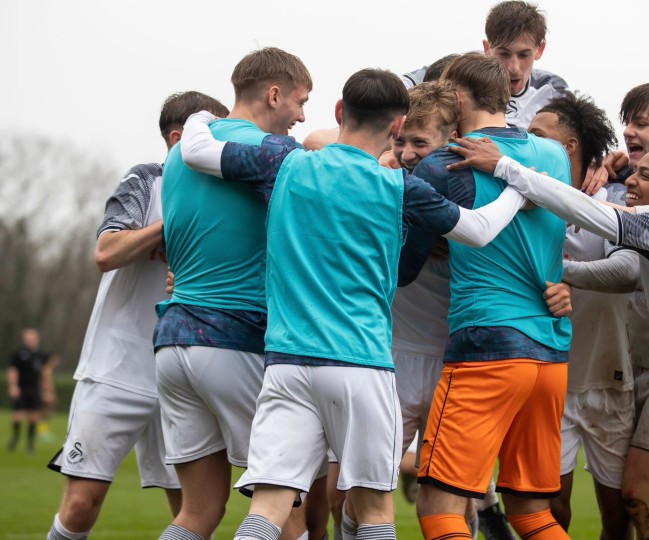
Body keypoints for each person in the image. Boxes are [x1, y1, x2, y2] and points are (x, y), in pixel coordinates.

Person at [177, 67, 529, 540]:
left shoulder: (286, 163)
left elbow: (196, 150)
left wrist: (201, 115)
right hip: (361, 365)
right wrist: (518, 185)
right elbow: (480, 229)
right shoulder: (400, 187)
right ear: (399, 126)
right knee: (375, 512)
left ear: (341, 112)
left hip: (287, 364)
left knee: (267, 509)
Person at [447, 133, 649, 540]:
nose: (632, 182)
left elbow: (584, 209)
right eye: (634, 172)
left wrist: (505, 167)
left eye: (645, 175)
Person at [42, 91, 229, 540]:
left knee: (193, 510)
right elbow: (105, 253)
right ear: (179, 137)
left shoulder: (226, 195)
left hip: (184, 371)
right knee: (82, 505)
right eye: (214, 131)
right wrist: (172, 226)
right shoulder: (147, 180)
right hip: (116, 368)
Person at [401, 52, 572, 540]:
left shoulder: (443, 163)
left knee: (439, 508)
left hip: (488, 347)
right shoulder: (555, 155)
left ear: (455, 97)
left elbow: (405, 266)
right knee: (532, 514)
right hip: (552, 351)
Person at [154, 47, 313, 540]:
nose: (302, 115)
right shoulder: (273, 153)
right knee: (284, 512)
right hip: (234, 339)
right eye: (301, 101)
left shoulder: (180, 154)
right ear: (274, 94)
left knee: (196, 513)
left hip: (172, 340)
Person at [561, 80, 649, 539]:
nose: (628, 132)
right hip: (623, 362)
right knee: (628, 510)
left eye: (641, 123)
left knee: (641, 500)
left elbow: (626, 272)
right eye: (626, 123)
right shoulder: (628, 187)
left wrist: (552, 271)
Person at [526, 91, 632, 539]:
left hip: (611, 378)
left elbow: (628, 273)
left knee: (622, 518)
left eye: (536, 135)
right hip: (551, 379)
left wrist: (567, 275)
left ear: (568, 145)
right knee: (551, 513)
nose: (525, 143)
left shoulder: (614, 199)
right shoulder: (525, 199)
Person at [402, 1, 567, 131]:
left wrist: (594, 159)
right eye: (504, 54)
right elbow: (402, 86)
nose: (513, 67)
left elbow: (579, 133)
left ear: (540, 50)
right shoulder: (464, 69)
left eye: (524, 55)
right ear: (487, 48)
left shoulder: (552, 88)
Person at [7, 328, 51, 454]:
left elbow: (45, 373)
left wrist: (47, 390)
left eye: (32, 338)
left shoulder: (42, 355)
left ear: (36, 339)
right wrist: (13, 386)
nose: (29, 341)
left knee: (33, 417)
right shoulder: (18, 353)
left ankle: (30, 444)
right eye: (27, 338)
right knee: (17, 417)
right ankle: (15, 438)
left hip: (34, 389)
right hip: (21, 388)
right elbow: (13, 371)